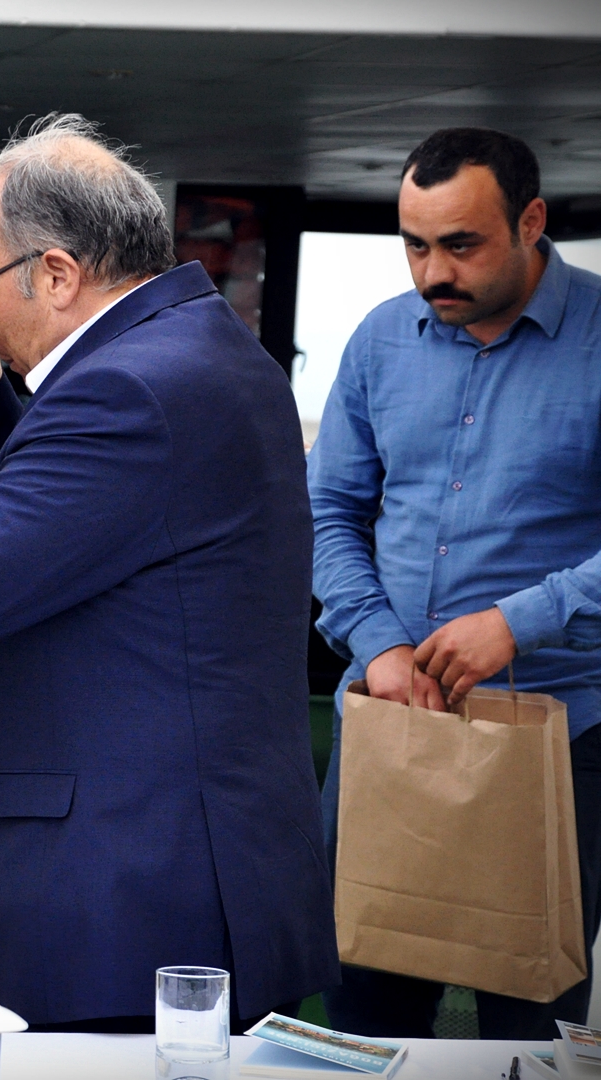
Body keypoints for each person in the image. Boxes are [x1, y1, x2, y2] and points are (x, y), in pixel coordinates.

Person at [0, 113, 337, 1030]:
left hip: (123, 892)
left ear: (59, 274)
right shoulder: (205, 350)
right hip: (198, 867)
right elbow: (68, 536)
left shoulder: (124, 388)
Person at [310, 128, 601, 1040]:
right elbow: (329, 511)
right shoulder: (379, 339)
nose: (434, 272)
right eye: (415, 245)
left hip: (556, 735)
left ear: (532, 222)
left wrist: (519, 621)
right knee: (362, 1014)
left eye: (462, 245)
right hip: (389, 723)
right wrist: (379, 644)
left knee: (529, 1027)